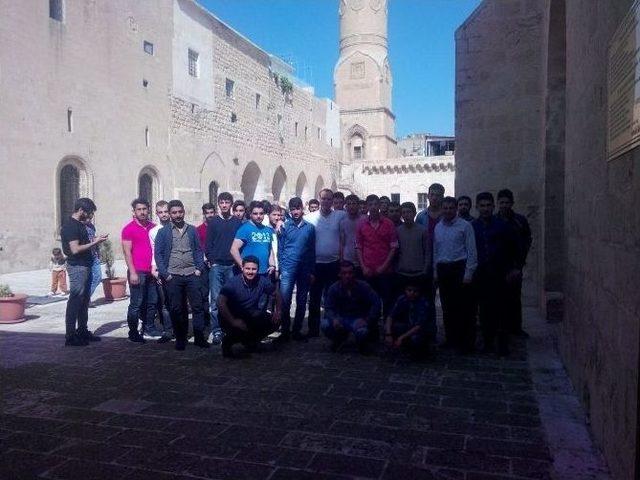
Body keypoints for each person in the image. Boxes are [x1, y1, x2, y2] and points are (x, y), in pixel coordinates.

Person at [154, 200, 209, 350]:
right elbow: (158, 254)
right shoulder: (163, 232)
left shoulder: (192, 230)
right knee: (177, 308)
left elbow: (198, 249)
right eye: (174, 213)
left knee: (197, 307)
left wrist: (199, 268)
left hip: (192, 274)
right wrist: (165, 274)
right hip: (173, 275)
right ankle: (180, 338)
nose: (177, 215)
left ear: (183, 212)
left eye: (180, 212)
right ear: (170, 214)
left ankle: (199, 337)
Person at [472, 192, 520, 356]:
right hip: (482, 274)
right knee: (485, 310)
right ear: (477, 207)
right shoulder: (473, 226)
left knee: (503, 309)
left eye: (488, 205)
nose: (485, 209)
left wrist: (514, 268)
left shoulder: (503, 226)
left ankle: (503, 344)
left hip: (501, 273)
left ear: (493, 206)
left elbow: (514, 248)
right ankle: (487, 342)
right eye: (482, 205)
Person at [60, 198, 107, 346]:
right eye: (89, 212)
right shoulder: (70, 226)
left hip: (85, 265)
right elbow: (75, 249)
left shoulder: (80, 225)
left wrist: (95, 240)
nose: (90, 216)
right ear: (81, 210)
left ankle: (82, 330)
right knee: (75, 300)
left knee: (84, 300)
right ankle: (70, 336)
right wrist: (96, 242)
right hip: (77, 267)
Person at [433, 196, 477, 353]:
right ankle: (450, 339)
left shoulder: (465, 226)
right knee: (447, 307)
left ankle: (466, 342)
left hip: (460, 269)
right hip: (444, 270)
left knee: (463, 308)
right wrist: (435, 272)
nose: (448, 211)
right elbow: (436, 251)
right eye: (445, 208)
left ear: (456, 208)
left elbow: (472, 251)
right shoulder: (438, 227)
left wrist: (469, 273)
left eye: (451, 208)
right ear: (442, 209)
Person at [217, 256, 282, 358]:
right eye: (247, 268)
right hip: (230, 317)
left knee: (275, 321)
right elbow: (220, 302)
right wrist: (233, 321)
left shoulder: (262, 281)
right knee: (239, 328)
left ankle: (251, 342)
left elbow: (277, 294)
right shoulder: (233, 283)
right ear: (242, 268)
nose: (250, 272)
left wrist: (278, 311)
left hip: (249, 314)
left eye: (254, 269)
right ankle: (227, 343)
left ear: (258, 269)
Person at [306, 188, 346, 337]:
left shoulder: (340, 216)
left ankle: (330, 326)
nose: (327, 201)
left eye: (329, 199)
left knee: (332, 297)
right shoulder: (310, 218)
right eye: (324, 199)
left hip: (334, 263)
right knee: (315, 298)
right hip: (316, 264)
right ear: (319, 199)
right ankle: (313, 329)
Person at [206, 192, 242, 345]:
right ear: (219, 204)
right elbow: (208, 244)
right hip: (217, 266)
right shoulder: (213, 222)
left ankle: (230, 329)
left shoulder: (237, 222)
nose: (225, 205)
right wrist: (212, 260)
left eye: (227, 202)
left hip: (232, 266)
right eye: (222, 202)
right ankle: (217, 331)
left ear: (231, 204)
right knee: (215, 300)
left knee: (232, 299)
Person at [277, 197, 316, 342]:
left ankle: (297, 330)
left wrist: (312, 270)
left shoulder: (310, 228)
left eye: (297, 209)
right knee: (285, 301)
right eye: (292, 209)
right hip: (288, 267)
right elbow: (280, 248)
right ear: (289, 210)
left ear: (302, 209)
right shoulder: (284, 227)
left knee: (301, 300)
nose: (295, 212)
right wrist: (281, 267)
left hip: (305, 268)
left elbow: (312, 250)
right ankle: (285, 331)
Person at [322, 261, 380, 354]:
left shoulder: (363, 286)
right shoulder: (334, 288)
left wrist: (367, 319)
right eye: (344, 273)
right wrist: (333, 319)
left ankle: (362, 343)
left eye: (350, 273)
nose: (347, 276)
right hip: (341, 318)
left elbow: (376, 303)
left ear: (354, 273)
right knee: (325, 324)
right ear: (339, 274)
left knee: (363, 331)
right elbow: (328, 307)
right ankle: (339, 338)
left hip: (358, 318)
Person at [122, 198, 159, 342]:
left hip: (152, 271)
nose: (142, 212)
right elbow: (127, 252)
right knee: (136, 303)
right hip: (138, 271)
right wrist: (132, 272)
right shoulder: (128, 229)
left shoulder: (154, 227)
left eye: (144, 209)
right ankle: (133, 332)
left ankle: (149, 327)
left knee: (152, 302)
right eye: (139, 209)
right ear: (134, 211)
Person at [497, 189, 532, 338]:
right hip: (497, 266)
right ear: (498, 203)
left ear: (512, 203)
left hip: (514, 266)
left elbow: (526, 241)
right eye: (502, 202)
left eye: (507, 202)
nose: (504, 205)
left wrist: (519, 264)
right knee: (498, 298)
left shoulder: (520, 221)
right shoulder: (494, 220)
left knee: (515, 298)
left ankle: (516, 328)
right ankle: (500, 328)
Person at [356, 194, 398, 318]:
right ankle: (371, 330)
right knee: (369, 302)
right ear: (367, 206)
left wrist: (384, 267)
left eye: (375, 204)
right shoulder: (361, 224)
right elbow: (358, 247)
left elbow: (393, 247)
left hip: (385, 271)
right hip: (368, 270)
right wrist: (363, 267)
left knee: (387, 301)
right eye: (370, 204)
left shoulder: (388, 224)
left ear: (379, 206)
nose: (373, 207)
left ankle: (387, 329)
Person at [415, 183, 445, 330]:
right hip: (426, 262)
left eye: (438, 195)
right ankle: (429, 330)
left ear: (442, 197)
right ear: (427, 196)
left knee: (448, 299)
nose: (434, 198)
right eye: (432, 194)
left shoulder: (447, 215)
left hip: (444, 260)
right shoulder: (421, 217)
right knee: (427, 298)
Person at [384, 281, 436, 359]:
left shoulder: (424, 303)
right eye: (409, 290)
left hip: (422, 330)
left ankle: (421, 350)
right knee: (394, 326)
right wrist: (388, 334)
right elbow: (390, 316)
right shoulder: (402, 299)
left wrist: (401, 338)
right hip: (408, 326)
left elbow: (419, 326)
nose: (412, 293)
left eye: (415, 291)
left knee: (416, 338)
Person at [231, 201, 275, 278]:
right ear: (250, 214)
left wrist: (272, 265)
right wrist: (243, 266)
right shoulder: (244, 228)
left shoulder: (268, 230)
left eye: (261, 213)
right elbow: (233, 249)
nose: (258, 216)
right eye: (255, 213)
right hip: (249, 273)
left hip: (265, 272)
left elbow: (269, 249)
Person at [150, 200, 174, 343]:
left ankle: (180, 329)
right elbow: (154, 252)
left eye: (166, 211)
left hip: (177, 270)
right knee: (165, 303)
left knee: (179, 302)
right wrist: (155, 269)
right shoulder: (153, 232)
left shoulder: (177, 228)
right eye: (161, 212)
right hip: (161, 270)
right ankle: (168, 331)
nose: (164, 215)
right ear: (157, 213)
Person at [395, 202, 430, 294]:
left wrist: (425, 269)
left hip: (419, 273)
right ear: (401, 215)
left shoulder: (423, 230)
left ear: (414, 213)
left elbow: (427, 252)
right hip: (402, 273)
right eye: (404, 212)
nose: (407, 215)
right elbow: (396, 252)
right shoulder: (397, 231)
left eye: (409, 212)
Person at [196, 203, 216, 335]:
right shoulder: (199, 229)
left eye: (211, 212)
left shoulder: (218, 227)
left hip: (215, 264)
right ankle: (205, 319)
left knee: (216, 294)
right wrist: (204, 260)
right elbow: (198, 247)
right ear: (204, 214)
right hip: (204, 264)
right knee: (203, 294)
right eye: (207, 213)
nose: (209, 215)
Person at [339, 194, 363, 277]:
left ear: (358, 205)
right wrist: (341, 260)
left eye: (354, 204)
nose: (351, 206)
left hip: (362, 261)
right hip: (348, 259)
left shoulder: (364, 220)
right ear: (346, 206)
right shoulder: (343, 222)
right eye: (349, 204)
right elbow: (342, 242)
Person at [83, 214, 102, 303]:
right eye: (88, 218)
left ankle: (85, 298)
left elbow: (94, 240)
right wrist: (96, 240)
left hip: (94, 256)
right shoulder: (80, 227)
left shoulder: (91, 226)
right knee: (87, 280)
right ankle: (85, 299)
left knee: (98, 277)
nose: (90, 220)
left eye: (91, 218)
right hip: (86, 257)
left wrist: (98, 252)